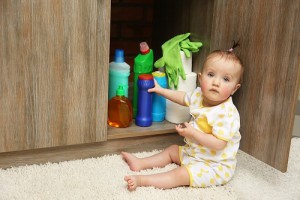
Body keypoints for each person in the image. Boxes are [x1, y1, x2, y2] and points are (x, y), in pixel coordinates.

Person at [122, 41, 244, 191]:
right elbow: (183, 97)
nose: (216, 83)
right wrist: (161, 90)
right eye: (211, 75)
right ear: (200, 77)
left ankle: (142, 180)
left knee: (180, 174)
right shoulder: (199, 95)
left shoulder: (227, 113)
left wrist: (192, 133)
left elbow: (219, 144)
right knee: (173, 150)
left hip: (215, 165)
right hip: (195, 152)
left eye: (226, 79)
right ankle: (140, 163)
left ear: (234, 88)